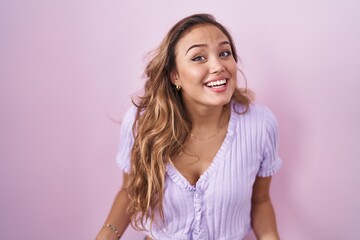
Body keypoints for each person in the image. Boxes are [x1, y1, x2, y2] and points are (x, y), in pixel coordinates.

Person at [96, 13, 282, 240]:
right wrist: (107, 235)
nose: (217, 66)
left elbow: (261, 200)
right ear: (175, 75)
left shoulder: (260, 125)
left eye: (225, 53)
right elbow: (129, 191)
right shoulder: (141, 123)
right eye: (198, 57)